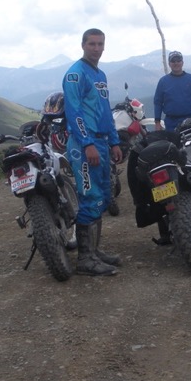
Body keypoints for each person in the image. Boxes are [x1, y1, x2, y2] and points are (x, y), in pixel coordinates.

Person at [62, 28, 123, 276]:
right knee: (89, 197)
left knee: (101, 198)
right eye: (92, 44)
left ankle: (94, 252)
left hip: (101, 142)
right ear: (83, 45)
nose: (96, 48)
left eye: (100, 44)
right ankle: (85, 260)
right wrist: (86, 143)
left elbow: (105, 111)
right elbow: (74, 112)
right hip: (83, 145)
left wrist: (115, 140)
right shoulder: (75, 74)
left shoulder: (100, 74)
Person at [153, 51, 191, 132]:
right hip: (171, 123)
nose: (176, 63)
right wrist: (157, 122)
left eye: (178, 61)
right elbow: (158, 102)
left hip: (190, 122)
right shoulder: (163, 81)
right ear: (169, 64)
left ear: (182, 62)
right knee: (173, 144)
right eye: (173, 61)